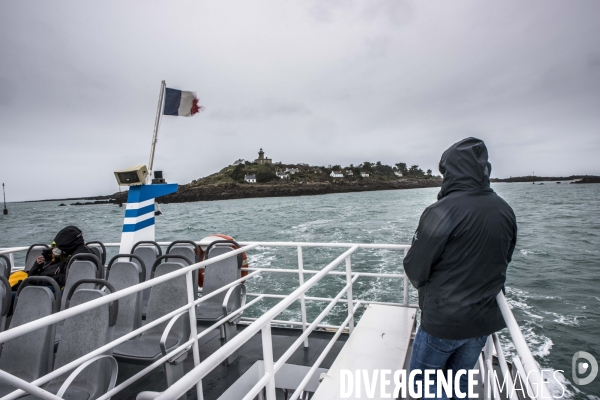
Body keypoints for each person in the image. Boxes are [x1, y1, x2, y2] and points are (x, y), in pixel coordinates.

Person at [403, 138, 517, 399]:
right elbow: (505, 259)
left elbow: (415, 267)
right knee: (459, 386)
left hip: (444, 322)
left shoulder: (442, 211)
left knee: (424, 387)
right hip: (482, 321)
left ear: (452, 170)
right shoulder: (504, 210)